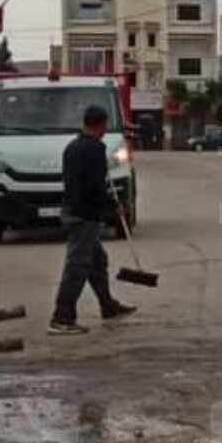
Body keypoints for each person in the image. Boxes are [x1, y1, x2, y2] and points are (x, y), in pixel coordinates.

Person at [49, 105, 135, 335]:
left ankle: (107, 305)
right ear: (99, 124)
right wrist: (112, 207)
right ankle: (62, 317)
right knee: (77, 267)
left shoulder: (72, 147)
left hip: (72, 209)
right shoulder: (95, 149)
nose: (106, 130)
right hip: (84, 215)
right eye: (105, 125)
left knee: (97, 261)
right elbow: (96, 186)